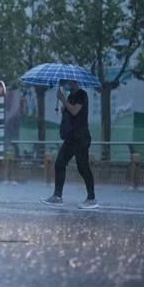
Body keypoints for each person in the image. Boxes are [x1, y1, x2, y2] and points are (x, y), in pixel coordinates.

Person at [42, 79, 97, 209]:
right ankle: (57, 196)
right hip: (70, 138)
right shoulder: (71, 96)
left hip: (81, 137)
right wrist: (63, 106)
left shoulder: (81, 94)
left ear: (72, 81)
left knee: (82, 167)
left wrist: (63, 100)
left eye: (65, 82)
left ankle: (92, 198)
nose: (64, 84)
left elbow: (75, 111)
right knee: (60, 163)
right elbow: (69, 112)